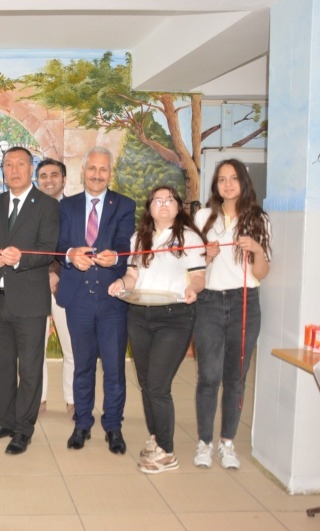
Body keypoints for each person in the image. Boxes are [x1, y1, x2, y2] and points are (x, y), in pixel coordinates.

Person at [107, 186, 206, 473]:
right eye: (158, 201)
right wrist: (121, 284)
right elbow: (132, 275)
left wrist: (194, 288)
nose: (163, 205)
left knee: (159, 385)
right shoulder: (139, 237)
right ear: (149, 207)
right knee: (147, 383)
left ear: (178, 206)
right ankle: (156, 436)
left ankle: (167, 451)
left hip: (174, 317)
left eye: (169, 200)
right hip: (139, 315)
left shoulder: (189, 238)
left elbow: (199, 276)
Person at [0, 146, 59, 455]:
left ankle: (24, 429)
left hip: (30, 302)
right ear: (3, 170)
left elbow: (49, 249)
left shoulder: (47, 205)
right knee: (1, 369)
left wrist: (20, 258)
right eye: (8, 165)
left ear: (31, 168)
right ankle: (5, 421)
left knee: (31, 370)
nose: (14, 170)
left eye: (20, 164)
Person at [192, 159, 271, 470]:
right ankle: (204, 442)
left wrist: (257, 250)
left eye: (233, 178)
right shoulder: (203, 217)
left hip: (245, 303)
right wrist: (207, 255)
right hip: (209, 302)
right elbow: (194, 267)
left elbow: (261, 272)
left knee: (236, 377)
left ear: (243, 183)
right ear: (215, 184)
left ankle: (227, 442)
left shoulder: (259, 219)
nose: (227, 184)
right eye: (222, 179)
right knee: (208, 376)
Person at [57, 146, 135, 454]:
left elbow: (124, 243)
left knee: (114, 370)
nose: (97, 175)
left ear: (110, 173)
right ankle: (82, 423)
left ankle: (113, 426)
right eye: (92, 168)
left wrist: (116, 256)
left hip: (111, 300)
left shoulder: (124, 205)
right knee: (82, 366)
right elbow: (59, 244)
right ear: (83, 171)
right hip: (78, 299)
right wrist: (70, 255)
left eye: (103, 169)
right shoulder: (68, 206)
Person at [36, 158, 75, 419]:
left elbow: (76, 245)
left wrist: (55, 273)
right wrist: (46, 272)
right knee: (33, 348)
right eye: (43, 176)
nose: (48, 180)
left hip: (67, 285)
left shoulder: (75, 209)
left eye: (54, 175)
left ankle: (73, 401)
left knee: (72, 347)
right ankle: (38, 399)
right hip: (33, 287)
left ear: (64, 179)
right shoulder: (29, 209)